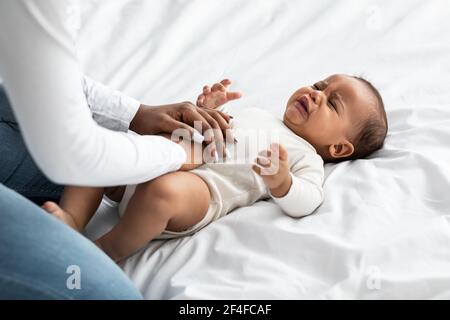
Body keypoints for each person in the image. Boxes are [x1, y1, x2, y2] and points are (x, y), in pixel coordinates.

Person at [0, 0, 231, 299]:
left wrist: (136, 114)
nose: (313, 94)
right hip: (117, 165)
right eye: (314, 85)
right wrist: (175, 152)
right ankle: (87, 237)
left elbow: (37, 69)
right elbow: (78, 155)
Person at [42, 74, 388, 263]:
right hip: (147, 163)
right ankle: (72, 220)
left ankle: (104, 252)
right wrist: (208, 108)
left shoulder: (305, 157)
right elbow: (211, 129)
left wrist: (282, 182)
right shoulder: (261, 115)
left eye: (331, 102)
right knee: (104, 149)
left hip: (199, 193)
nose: (315, 94)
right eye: (319, 86)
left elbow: (308, 199)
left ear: (339, 148)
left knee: (163, 192)